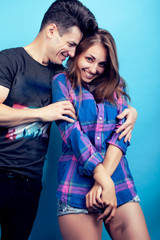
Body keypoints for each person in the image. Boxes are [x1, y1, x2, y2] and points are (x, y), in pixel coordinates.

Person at [0, 0, 99, 239]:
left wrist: (131, 112)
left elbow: (99, 101)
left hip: (30, 183)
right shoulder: (9, 60)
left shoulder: (61, 76)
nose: (73, 54)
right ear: (52, 31)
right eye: (71, 44)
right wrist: (42, 112)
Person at [52, 29, 150, 240]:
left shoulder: (116, 86)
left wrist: (103, 183)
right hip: (75, 188)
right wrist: (104, 180)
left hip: (118, 183)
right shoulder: (61, 82)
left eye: (102, 64)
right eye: (89, 59)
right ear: (77, 53)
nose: (94, 69)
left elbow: (120, 136)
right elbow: (72, 132)